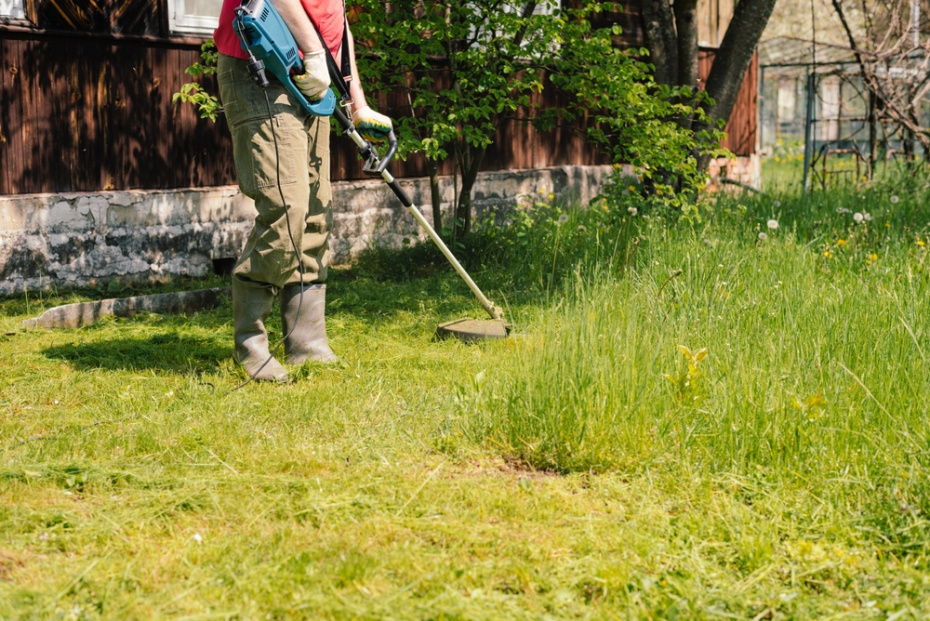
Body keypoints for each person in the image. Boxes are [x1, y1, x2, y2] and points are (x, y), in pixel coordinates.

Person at [213, 0, 392, 382]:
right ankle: (251, 345)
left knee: (314, 209)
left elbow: (333, 16)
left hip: (307, 75)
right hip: (259, 63)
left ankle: (306, 341)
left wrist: (355, 100)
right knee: (287, 205)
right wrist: (313, 53)